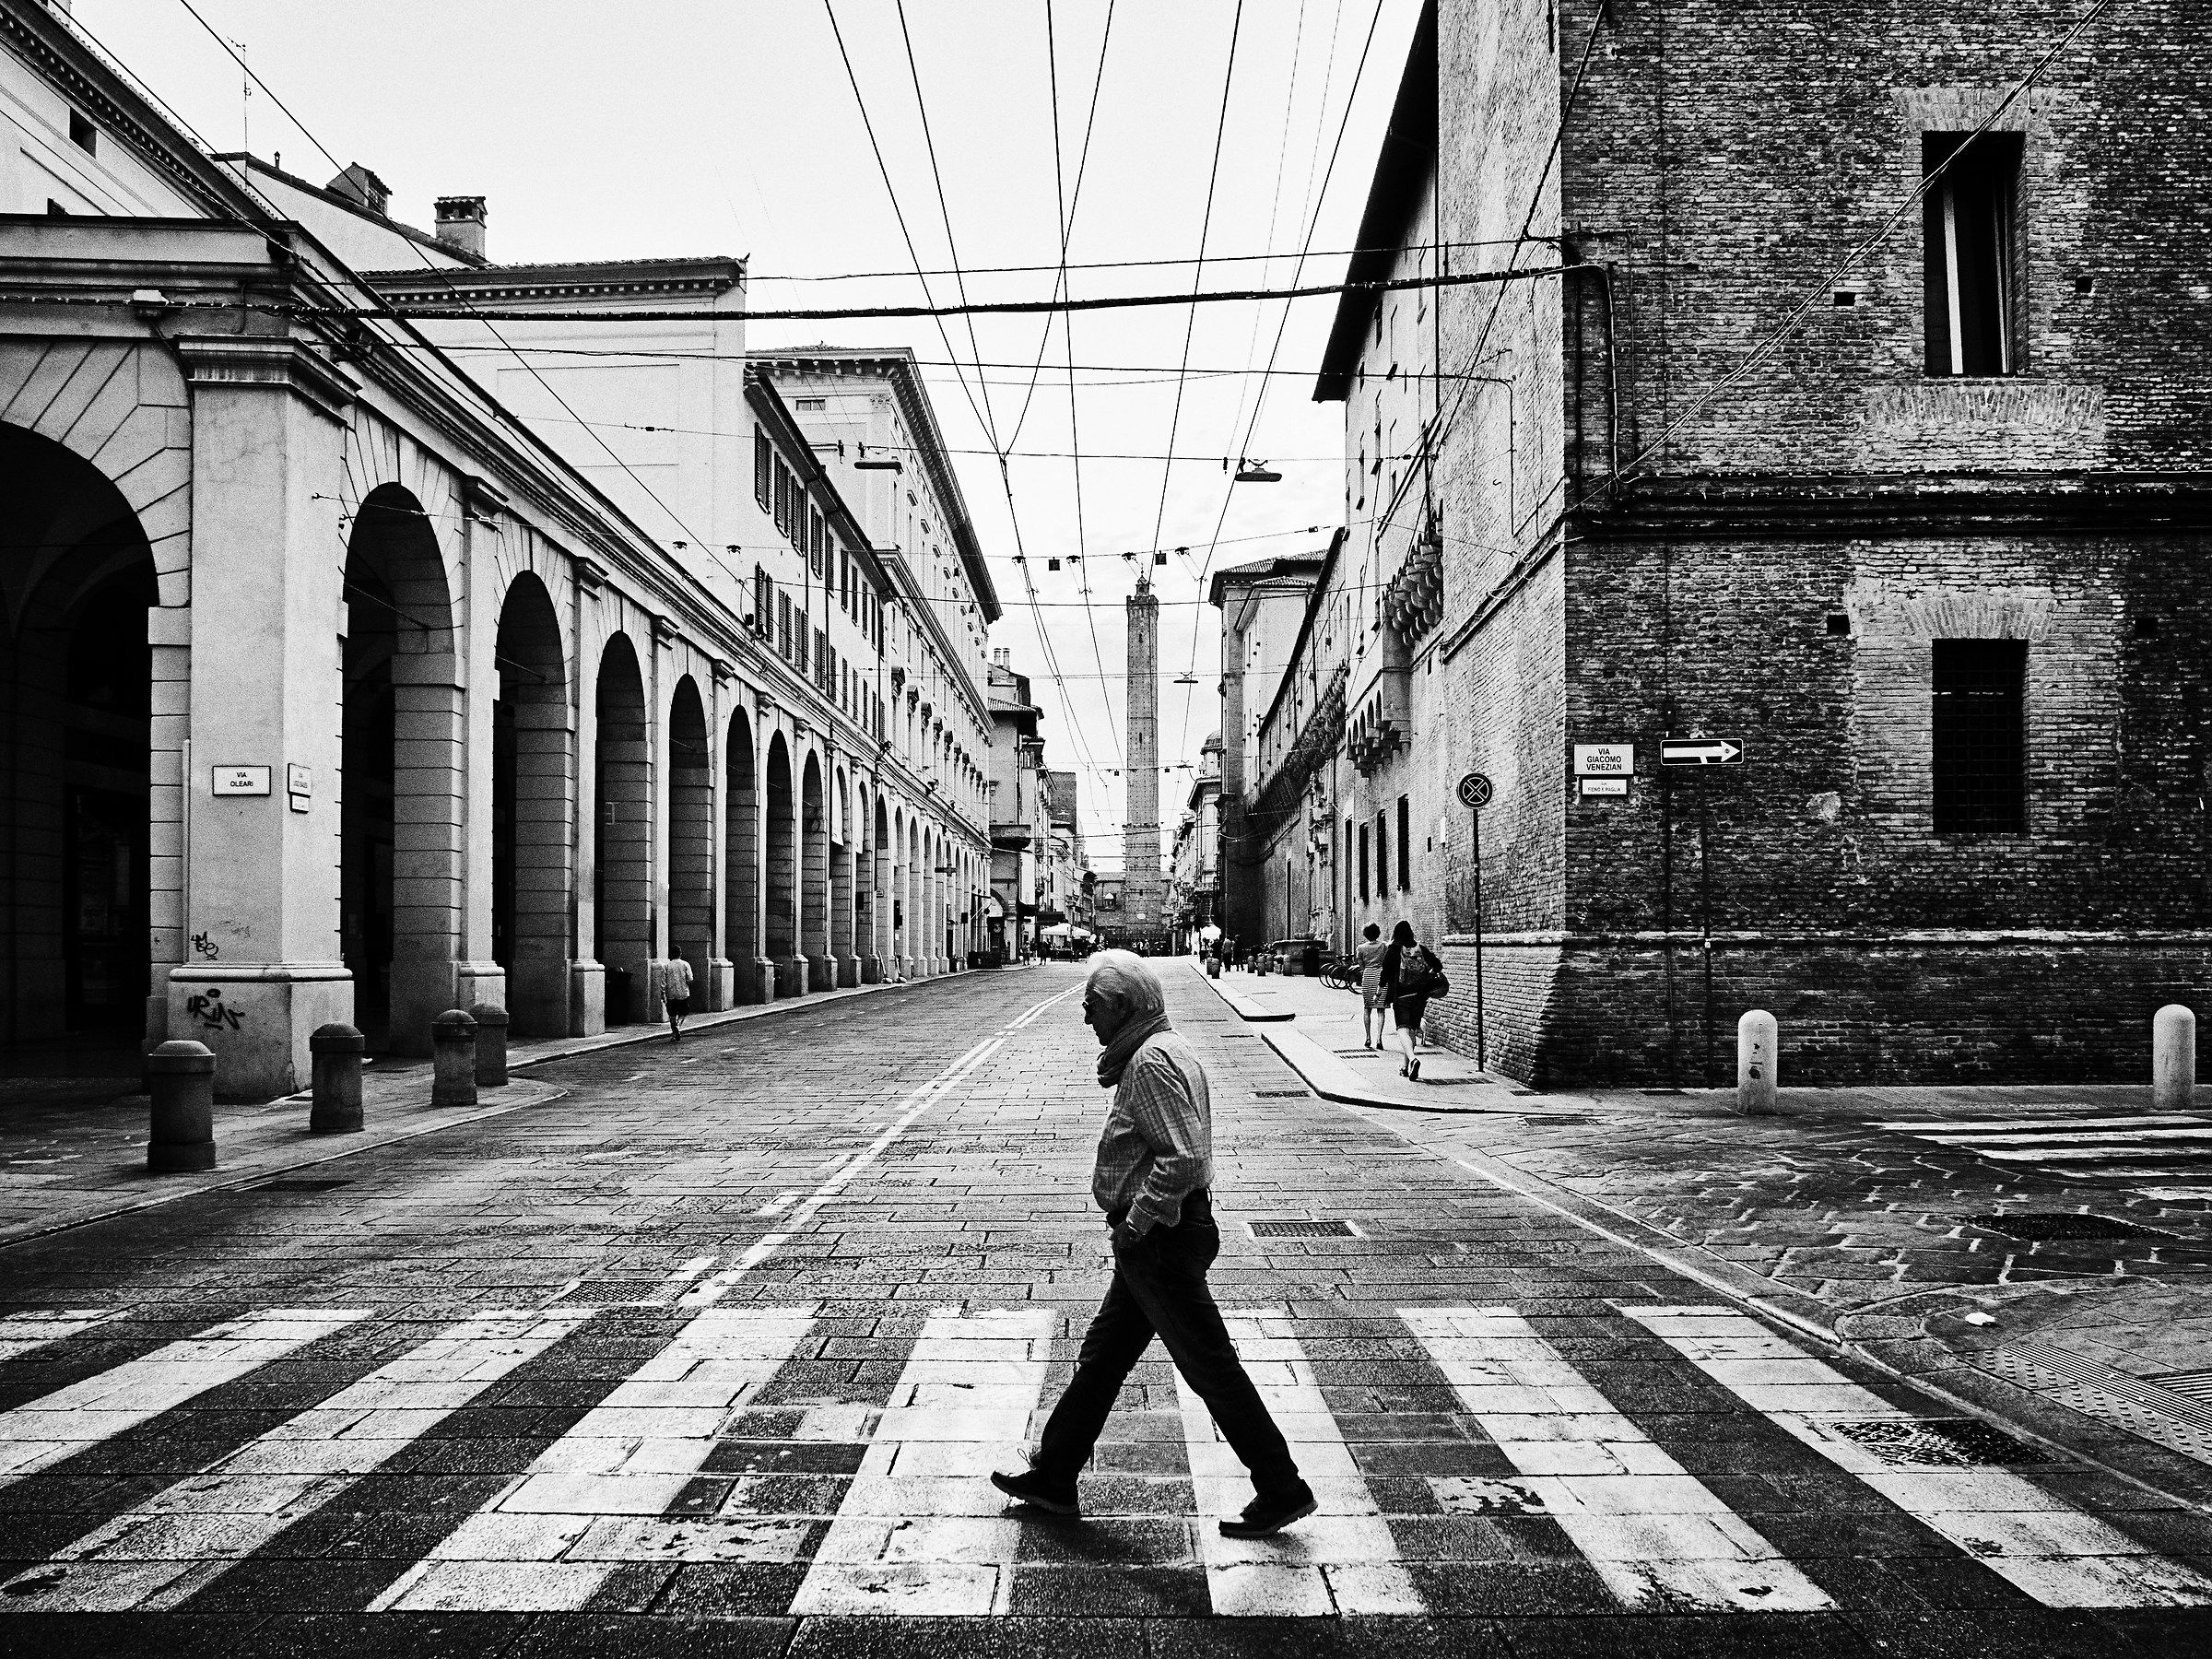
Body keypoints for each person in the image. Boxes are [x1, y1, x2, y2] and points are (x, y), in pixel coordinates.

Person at [993, 950, 1315, 1537]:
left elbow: (1184, 1158)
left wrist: (1136, 1222)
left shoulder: (1149, 1063)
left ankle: (1280, 1485)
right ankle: (1055, 1474)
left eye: (1092, 1007)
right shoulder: (1164, 1050)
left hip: (1160, 1239)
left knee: (1209, 1365)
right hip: (1159, 1239)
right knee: (1104, 1357)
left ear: (1121, 1007)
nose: (1086, 1018)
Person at [1379, 919, 1440, 1080]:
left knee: (1402, 1029)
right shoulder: (1420, 949)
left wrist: (1379, 991)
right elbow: (1437, 965)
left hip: (1401, 996)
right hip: (1420, 996)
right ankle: (1405, 1067)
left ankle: (1413, 1059)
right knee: (1412, 1030)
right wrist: (1428, 977)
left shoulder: (1393, 950)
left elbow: (1385, 972)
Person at [1355, 922, 1390, 1051]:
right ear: (1378, 933)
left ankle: (1368, 1037)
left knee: (1367, 1008)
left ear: (1365, 934)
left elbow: (1361, 965)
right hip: (1381, 976)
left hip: (1368, 976)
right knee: (1381, 1009)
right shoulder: (1384, 946)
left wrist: (1366, 969)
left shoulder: (1361, 948)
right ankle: (1379, 1038)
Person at [663, 952, 695, 1042]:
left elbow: (663, 982)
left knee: (672, 1015)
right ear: (680, 954)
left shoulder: (666, 966)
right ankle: (678, 1026)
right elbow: (690, 979)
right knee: (683, 1012)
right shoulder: (685, 964)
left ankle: (674, 1034)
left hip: (671, 994)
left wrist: (663, 994)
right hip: (683, 993)